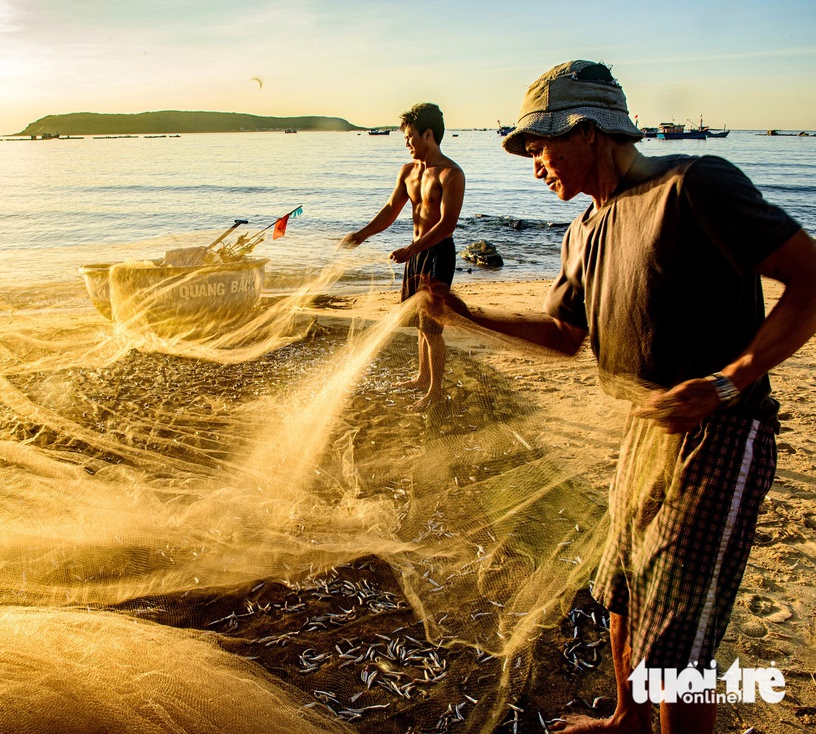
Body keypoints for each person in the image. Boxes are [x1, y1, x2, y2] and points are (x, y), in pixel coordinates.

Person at [435, 61, 816, 733]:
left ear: (587, 133)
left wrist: (732, 379)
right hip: (649, 428)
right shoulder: (584, 230)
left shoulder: (693, 185)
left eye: (538, 145)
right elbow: (562, 336)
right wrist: (465, 314)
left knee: (677, 644)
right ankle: (626, 724)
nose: (533, 164)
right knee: (622, 592)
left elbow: (810, 279)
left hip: (722, 434)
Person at [340, 102, 465, 411]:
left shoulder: (451, 174)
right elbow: (390, 211)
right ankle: (422, 378)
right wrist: (362, 234)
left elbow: (447, 225)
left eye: (410, 136)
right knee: (419, 325)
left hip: (436, 255)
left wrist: (412, 248)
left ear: (428, 134)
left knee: (433, 328)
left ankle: (436, 392)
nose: (407, 143)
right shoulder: (408, 172)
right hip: (415, 257)